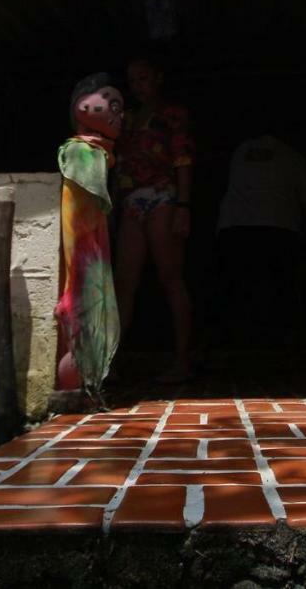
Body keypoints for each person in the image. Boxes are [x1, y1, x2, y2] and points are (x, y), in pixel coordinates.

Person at [113, 55, 195, 383]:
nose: (138, 86)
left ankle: (182, 361)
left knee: (171, 277)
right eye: (132, 81)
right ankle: (112, 362)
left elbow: (184, 159)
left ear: (158, 77)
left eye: (143, 78)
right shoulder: (126, 119)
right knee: (123, 283)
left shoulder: (173, 114)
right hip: (131, 202)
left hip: (163, 197)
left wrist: (183, 207)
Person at [54, 73, 124, 406]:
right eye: (111, 104)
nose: (118, 114)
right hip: (84, 254)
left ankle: (85, 388)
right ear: (83, 106)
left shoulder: (98, 153)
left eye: (120, 108)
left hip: (93, 250)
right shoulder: (82, 152)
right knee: (81, 318)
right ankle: (74, 393)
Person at [216, 129, 306, 344]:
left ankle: (241, 340)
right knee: (281, 287)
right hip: (278, 227)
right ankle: (282, 339)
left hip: (236, 227)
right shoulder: (292, 155)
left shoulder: (239, 150)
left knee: (241, 288)